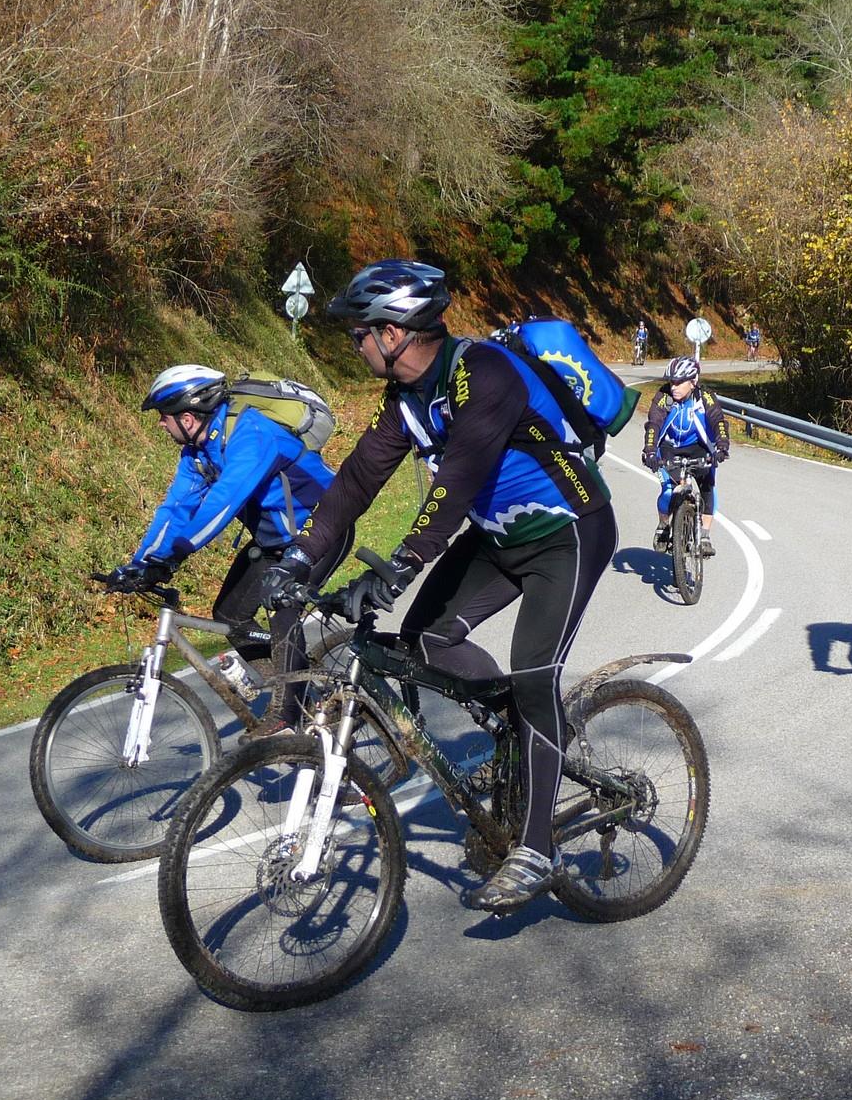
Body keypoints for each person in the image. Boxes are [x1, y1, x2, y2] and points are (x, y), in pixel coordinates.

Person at [258, 259, 618, 914]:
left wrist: (394, 569)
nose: (355, 345)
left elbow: (456, 485)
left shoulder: (485, 373)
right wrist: (298, 561)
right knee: (424, 641)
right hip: (499, 538)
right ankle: (520, 727)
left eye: (360, 334)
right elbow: (354, 485)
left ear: (393, 333)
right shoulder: (406, 401)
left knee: (534, 672)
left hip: (569, 533)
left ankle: (537, 849)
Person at [107, 364, 350, 732]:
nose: (160, 424)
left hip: (322, 529)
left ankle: (287, 716)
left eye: (164, 416)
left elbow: (222, 503)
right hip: (275, 541)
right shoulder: (199, 453)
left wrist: (175, 555)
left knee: (282, 607)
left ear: (187, 418)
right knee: (230, 616)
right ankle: (299, 691)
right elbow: (175, 509)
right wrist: (142, 563)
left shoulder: (252, 434)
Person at [642, 355, 730, 558]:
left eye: (679, 382)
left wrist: (722, 445)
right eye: (671, 381)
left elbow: (718, 420)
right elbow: (654, 423)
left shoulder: (704, 396)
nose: (673, 386)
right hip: (669, 447)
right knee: (668, 491)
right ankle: (664, 525)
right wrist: (650, 450)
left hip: (698, 447)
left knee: (708, 486)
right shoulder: (664, 396)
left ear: (693, 381)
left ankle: (705, 536)